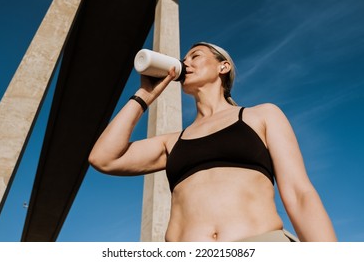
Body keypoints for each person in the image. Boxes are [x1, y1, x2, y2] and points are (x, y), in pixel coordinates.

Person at [88, 42, 337, 242]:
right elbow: (104, 158)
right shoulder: (172, 141)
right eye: (184, 59)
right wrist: (145, 95)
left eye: (195, 55)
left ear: (223, 66)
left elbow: (299, 193)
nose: (185, 63)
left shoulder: (261, 115)